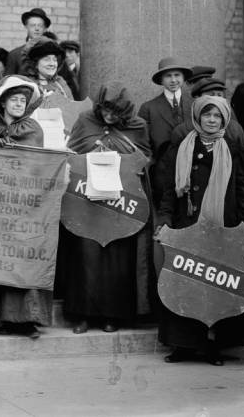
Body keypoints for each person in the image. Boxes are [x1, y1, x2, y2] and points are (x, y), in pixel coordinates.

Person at [156, 96, 244, 366]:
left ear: (224, 120)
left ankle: (215, 345)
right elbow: (169, 187)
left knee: (217, 283)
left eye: (217, 116)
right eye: (207, 115)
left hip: (222, 224)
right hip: (186, 222)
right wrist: (165, 218)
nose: (212, 120)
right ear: (198, 116)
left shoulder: (231, 148)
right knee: (185, 281)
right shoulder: (183, 145)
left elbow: (242, 188)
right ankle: (184, 345)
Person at [59, 83, 153, 334]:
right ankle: (82, 315)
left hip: (120, 203)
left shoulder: (138, 126)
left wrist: (119, 156)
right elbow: (71, 152)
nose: (109, 117)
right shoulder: (85, 120)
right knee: (85, 258)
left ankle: (113, 315)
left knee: (116, 260)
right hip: (86, 201)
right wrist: (92, 151)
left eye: (115, 113)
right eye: (105, 111)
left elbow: (144, 159)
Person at [0, 76, 47, 337]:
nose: (18, 104)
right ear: (2, 102)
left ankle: (25, 320)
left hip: (23, 206)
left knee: (21, 259)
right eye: (13, 99)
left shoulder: (33, 129)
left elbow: (39, 165)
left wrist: (11, 149)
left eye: (23, 100)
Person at [138, 58, 193, 208]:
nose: (173, 80)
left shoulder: (196, 104)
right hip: (163, 172)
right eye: (168, 76)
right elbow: (143, 143)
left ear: (183, 78)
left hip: (193, 167)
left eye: (177, 75)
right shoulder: (149, 108)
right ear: (161, 80)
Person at [4, 8, 52, 75]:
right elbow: (8, 81)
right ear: (26, 27)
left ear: (45, 29)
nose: (37, 29)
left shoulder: (54, 53)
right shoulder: (15, 55)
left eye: (40, 25)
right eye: (33, 25)